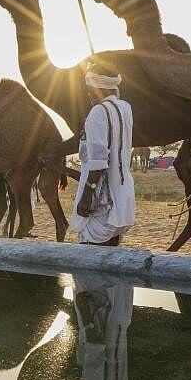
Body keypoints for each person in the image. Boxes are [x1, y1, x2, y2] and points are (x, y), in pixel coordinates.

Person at [72, 68, 136, 246]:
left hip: (102, 203)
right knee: (111, 252)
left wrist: (86, 198)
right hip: (123, 200)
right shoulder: (126, 108)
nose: (89, 94)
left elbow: (98, 163)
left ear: (98, 88)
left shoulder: (98, 112)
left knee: (91, 254)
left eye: (90, 89)